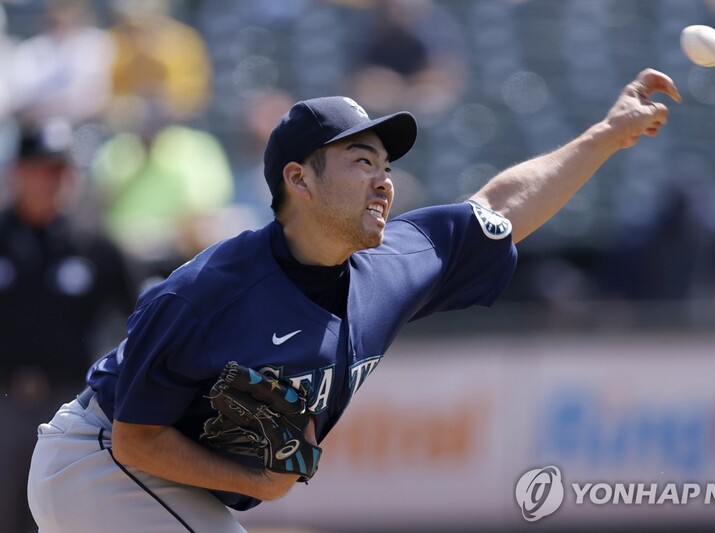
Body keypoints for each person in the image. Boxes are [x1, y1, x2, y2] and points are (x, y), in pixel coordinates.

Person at [27, 69, 681, 531]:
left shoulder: (394, 264)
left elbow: (498, 207)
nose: (384, 182)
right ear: (299, 179)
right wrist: (259, 481)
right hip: (99, 457)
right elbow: (137, 436)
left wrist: (605, 134)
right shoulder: (207, 292)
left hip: (154, 478)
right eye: (361, 161)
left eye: (387, 167)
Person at [0, 120, 137, 532]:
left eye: (63, 169)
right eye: (43, 168)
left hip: (69, 407)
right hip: (3, 403)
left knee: (64, 518)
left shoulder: (95, 244)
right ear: (17, 173)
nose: (55, 180)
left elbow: (144, 314)